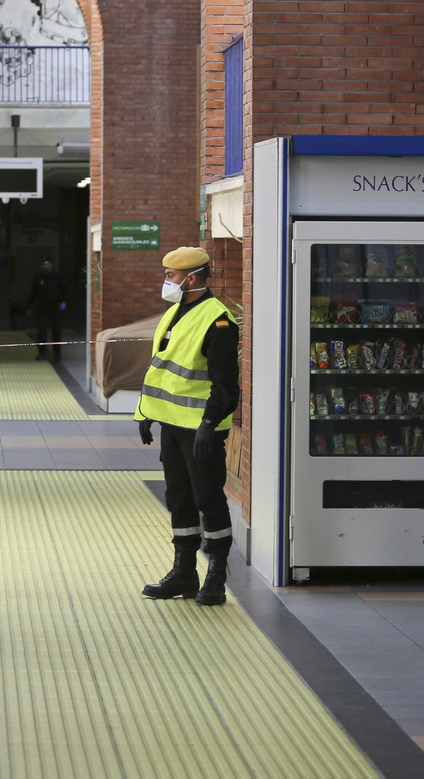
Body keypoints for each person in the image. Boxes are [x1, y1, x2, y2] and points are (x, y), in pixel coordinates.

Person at [135, 246, 241, 606]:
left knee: (208, 499)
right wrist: (146, 414)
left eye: (170, 275)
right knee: (179, 499)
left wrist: (209, 425)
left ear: (191, 278)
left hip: (201, 429)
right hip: (173, 426)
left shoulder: (218, 320)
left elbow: (226, 384)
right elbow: (162, 368)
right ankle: (184, 572)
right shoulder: (176, 312)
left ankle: (216, 574)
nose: (166, 280)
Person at [27, 258, 65, 361]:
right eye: (43, 264)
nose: (45, 266)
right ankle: (41, 353)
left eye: (47, 264)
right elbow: (33, 293)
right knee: (41, 332)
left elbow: (64, 290)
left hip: (54, 306)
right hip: (42, 307)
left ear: (52, 265)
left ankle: (57, 354)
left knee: (56, 331)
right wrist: (29, 306)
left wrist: (63, 302)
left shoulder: (57, 276)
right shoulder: (39, 277)